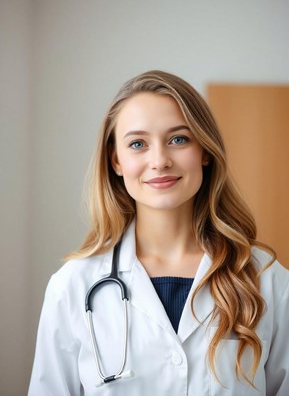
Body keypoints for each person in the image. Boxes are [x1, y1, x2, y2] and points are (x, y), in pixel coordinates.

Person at [28, 70, 289, 396]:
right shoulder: (73, 286)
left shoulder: (267, 280)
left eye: (178, 139)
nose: (159, 160)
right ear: (116, 161)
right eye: (138, 144)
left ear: (204, 151)